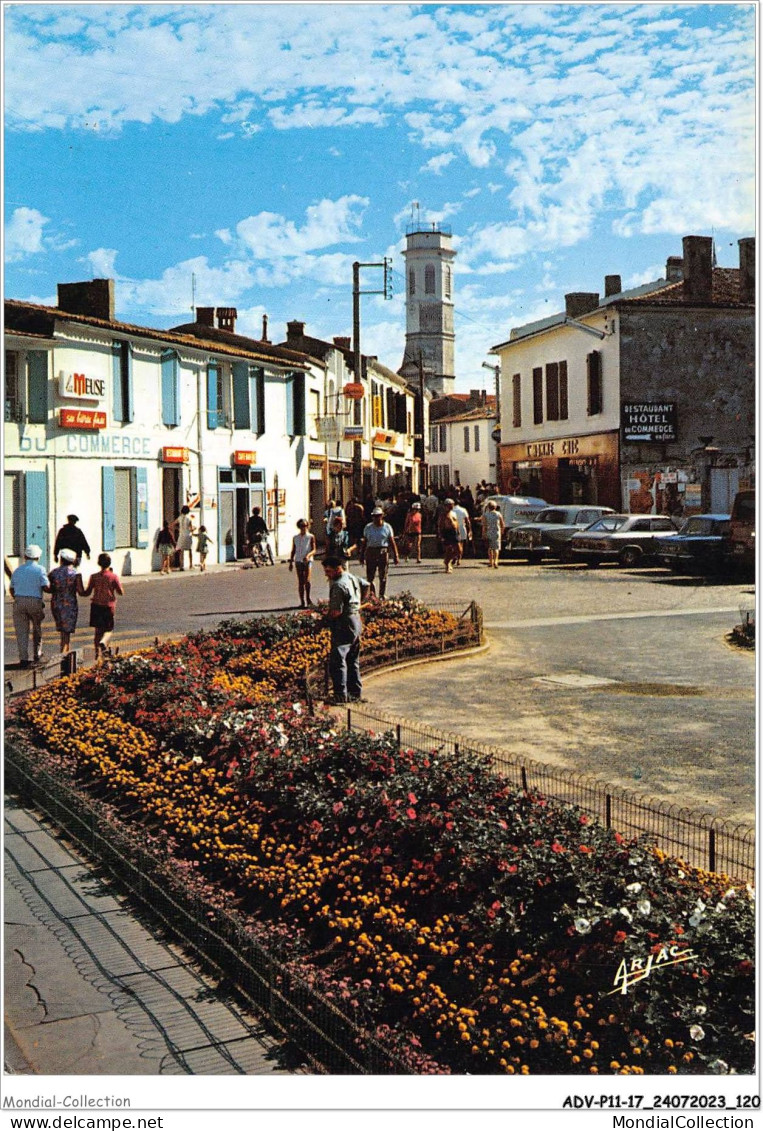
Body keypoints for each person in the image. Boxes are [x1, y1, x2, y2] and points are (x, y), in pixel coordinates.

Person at [322, 555, 371, 703]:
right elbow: (367, 584)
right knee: (352, 659)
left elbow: (336, 611)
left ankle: (340, 695)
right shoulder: (350, 577)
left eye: (328, 571)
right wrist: (358, 603)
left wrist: (325, 620)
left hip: (344, 623)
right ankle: (355, 693)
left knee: (338, 658)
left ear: (338, 569)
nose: (326, 574)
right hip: (356, 620)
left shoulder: (337, 585)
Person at [9, 545, 50, 667]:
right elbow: (46, 586)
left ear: (26, 556)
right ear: (38, 557)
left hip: (19, 600)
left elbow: (12, 588)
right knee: (37, 628)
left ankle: (23, 658)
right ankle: (37, 654)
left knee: (21, 631)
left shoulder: (18, 570)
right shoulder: (40, 569)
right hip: (35, 600)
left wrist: (17, 597)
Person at [83, 552, 124, 658]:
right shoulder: (113, 577)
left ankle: (97, 652)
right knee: (108, 629)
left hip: (96, 605)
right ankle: (104, 642)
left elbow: (87, 591)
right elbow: (120, 592)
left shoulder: (94, 577)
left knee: (97, 630)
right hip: (108, 605)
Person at [48, 548, 86, 654]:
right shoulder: (75, 574)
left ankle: (65, 652)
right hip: (70, 604)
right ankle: (64, 654)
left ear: (61, 559)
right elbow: (81, 591)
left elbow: (50, 589)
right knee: (66, 632)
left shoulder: (54, 573)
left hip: (56, 603)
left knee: (62, 630)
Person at [359, 507, 399, 599]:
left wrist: (395, 555)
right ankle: (373, 595)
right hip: (371, 551)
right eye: (374, 516)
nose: (376, 518)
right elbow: (364, 542)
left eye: (378, 516)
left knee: (383, 575)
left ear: (382, 516)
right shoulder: (368, 527)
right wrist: (361, 555)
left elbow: (392, 542)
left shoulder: (387, 527)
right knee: (370, 576)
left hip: (383, 551)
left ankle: (381, 594)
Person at [288, 519, 316, 607]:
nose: (303, 528)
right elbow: (293, 550)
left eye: (305, 526)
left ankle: (308, 598)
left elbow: (314, 549)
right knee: (300, 581)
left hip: (307, 560)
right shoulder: (295, 538)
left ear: (307, 526)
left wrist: (308, 555)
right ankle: (302, 601)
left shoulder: (310, 537)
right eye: (301, 526)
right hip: (298, 560)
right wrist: (291, 561)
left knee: (307, 580)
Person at [482, 500, 505, 570]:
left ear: (488, 507)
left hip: (489, 532)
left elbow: (484, 525)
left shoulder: (485, 515)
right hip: (496, 532)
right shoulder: (498, 514)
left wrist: (483, 533)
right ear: (495, 507)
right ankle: (496, 561)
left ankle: (490, 561)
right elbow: (502, 524)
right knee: (496, 548)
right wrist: (502, 531)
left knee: (490, 548)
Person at [439, 499, 460, 574]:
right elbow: (440, 525)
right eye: (450, 504)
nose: (452, 506)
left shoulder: (454, 513)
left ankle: (447, 560)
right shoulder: (443, 514)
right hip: (447, 532)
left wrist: (458, 531)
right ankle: (447, 564)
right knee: (449, 549)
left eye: (453, 504)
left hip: (454, 532)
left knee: (458, 550)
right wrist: (441, 535)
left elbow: (456, 522)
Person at [452, 499, 472, 565]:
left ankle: (455, 556)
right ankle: (459, 558)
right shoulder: (463, 510)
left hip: (453, 528)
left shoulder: (451, 510)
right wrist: (469, 529)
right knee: (461, 544)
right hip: (462, 528)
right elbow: (467, 520)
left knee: (454, 544)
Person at [175, 505, 195, 570]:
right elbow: (191, 528)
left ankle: (181, 566)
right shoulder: (189, 518)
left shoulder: (180, 518)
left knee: (181, 550)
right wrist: (194, 528)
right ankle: (191, 564)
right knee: (190, 550)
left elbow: (174, 523)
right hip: (188, 535)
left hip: (181, 535)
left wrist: (177, 528)